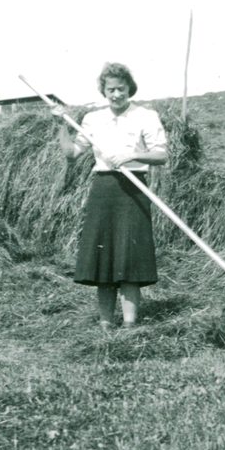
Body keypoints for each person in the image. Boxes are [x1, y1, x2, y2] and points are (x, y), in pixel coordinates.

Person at [55, 62, 168, 330]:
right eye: (110, 90)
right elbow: (71, 153)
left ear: (129, 88)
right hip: (103, 188)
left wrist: (132, 155)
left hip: (133, 189)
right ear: (103, 91)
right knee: (103, 258)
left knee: (130, 255)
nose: (116, 94)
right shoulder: (92, 119)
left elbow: (161, 155)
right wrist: (60, 123)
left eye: (120, 88)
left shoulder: (146, 116)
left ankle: (130, 325)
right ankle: (106, 323)